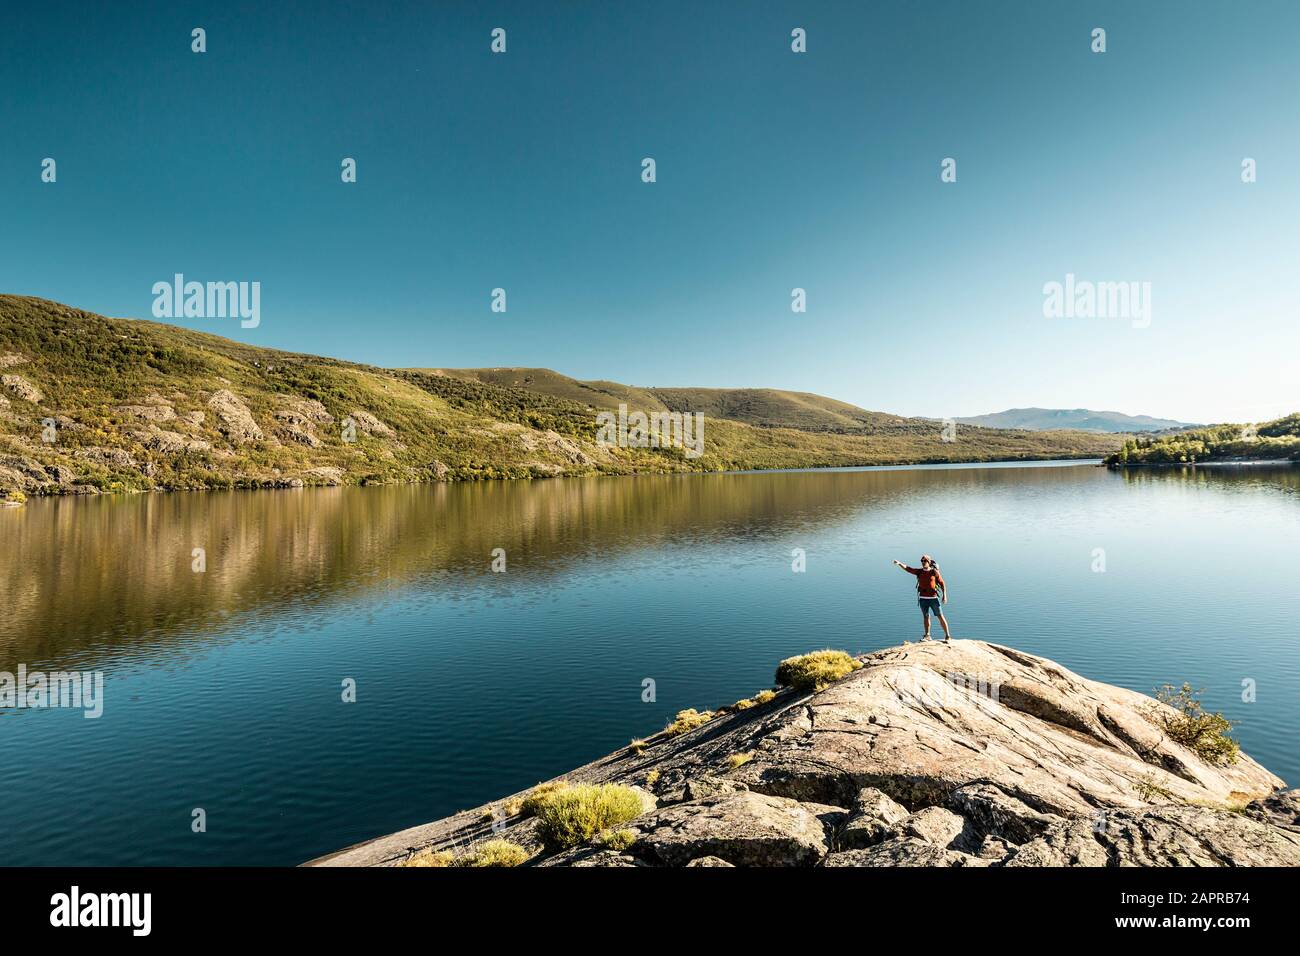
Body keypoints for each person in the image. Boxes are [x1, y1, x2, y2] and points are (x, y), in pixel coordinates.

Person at [892, 554, 953, 643]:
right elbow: (908, 569)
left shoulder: (934, 572)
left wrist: (945, 595)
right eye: (922, 561)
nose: (923, 562)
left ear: (929, 562)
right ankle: (927, 635)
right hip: (923, 598)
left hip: (933, 598)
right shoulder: (919, 571)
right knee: (926, 617)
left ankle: (948, 636)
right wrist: (899, 563)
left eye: (925, 561)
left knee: (940, 616)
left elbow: (942, 583)